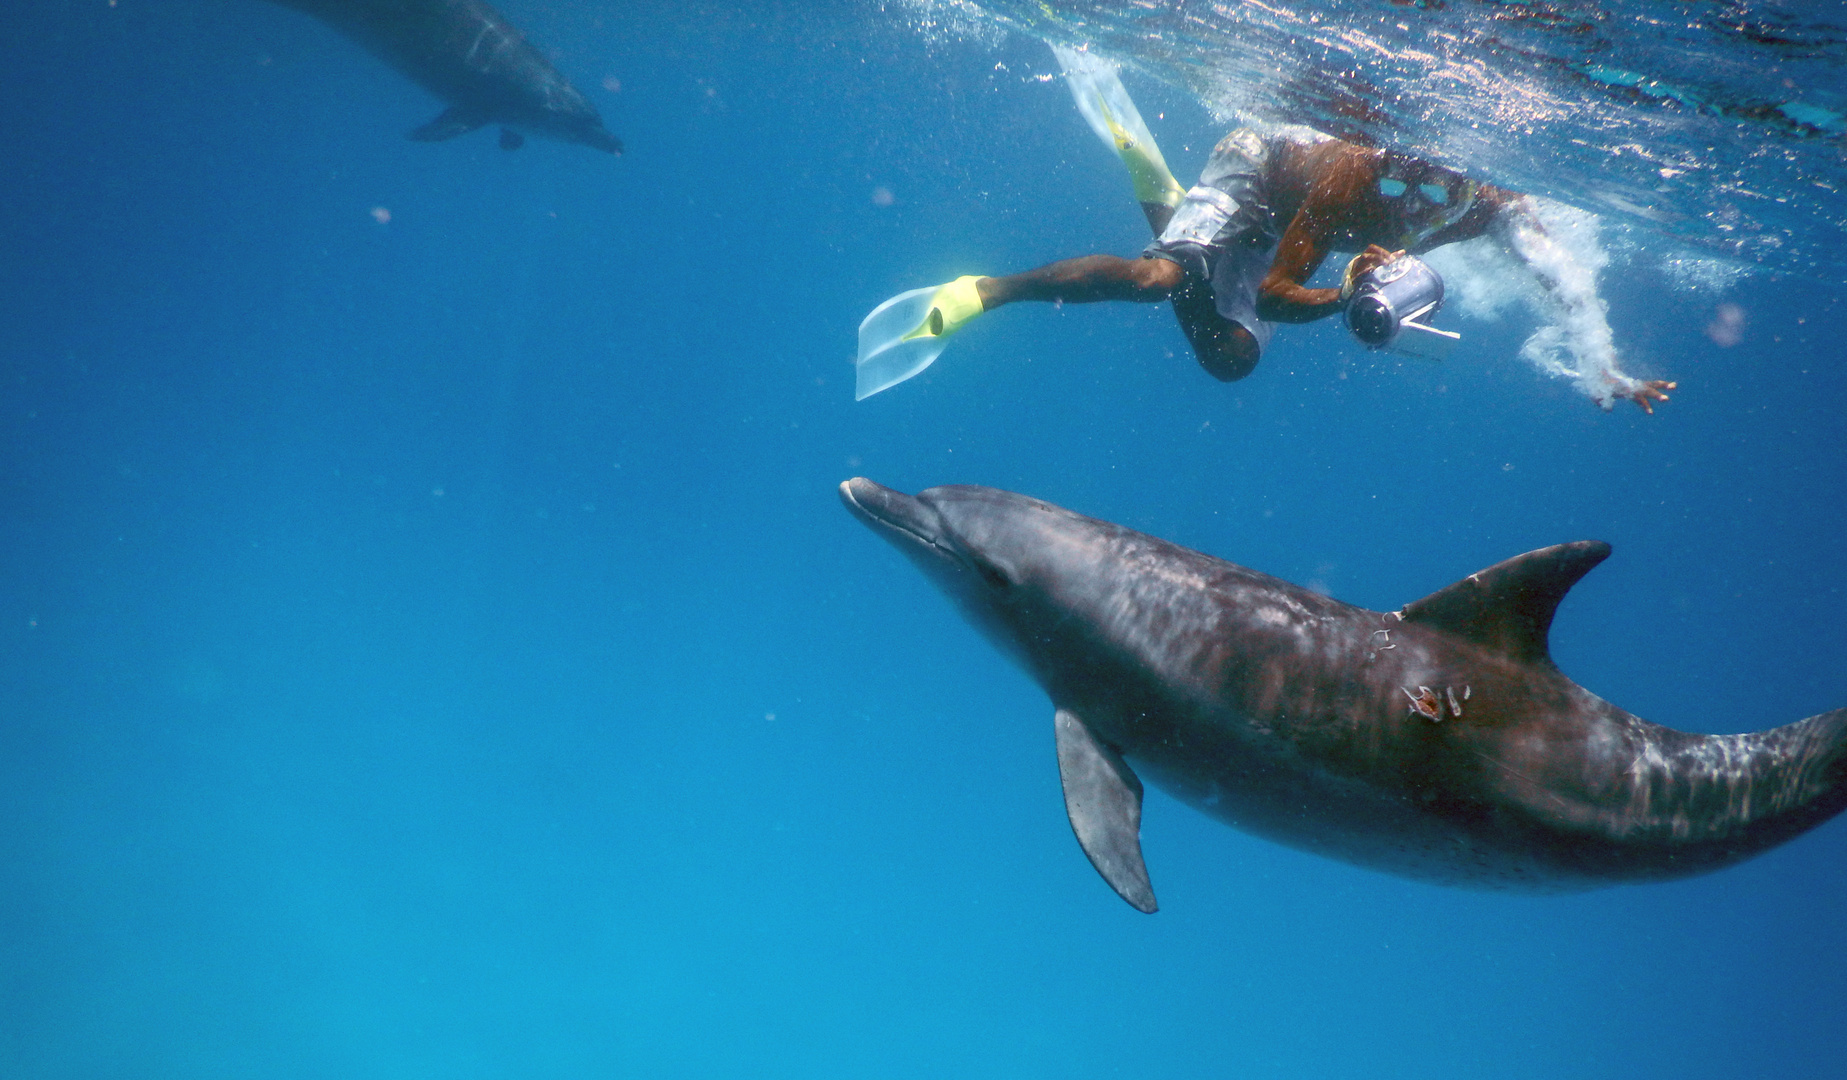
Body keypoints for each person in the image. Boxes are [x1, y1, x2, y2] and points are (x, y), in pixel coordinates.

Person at [966, 129, 1675, 413]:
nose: (1404, 210)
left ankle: (1179, 232)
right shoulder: (1352, 179)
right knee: (1158, 284)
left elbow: (1565, 284)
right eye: (1398, 186)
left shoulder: (1490, 207)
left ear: (1465, 196)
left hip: (1277, 219)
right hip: (1255, 168)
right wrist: (1339, 293)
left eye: (1431, 196)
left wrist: (1602, 368)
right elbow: (1274, 295)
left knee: (1232, 361)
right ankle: (996, 290)